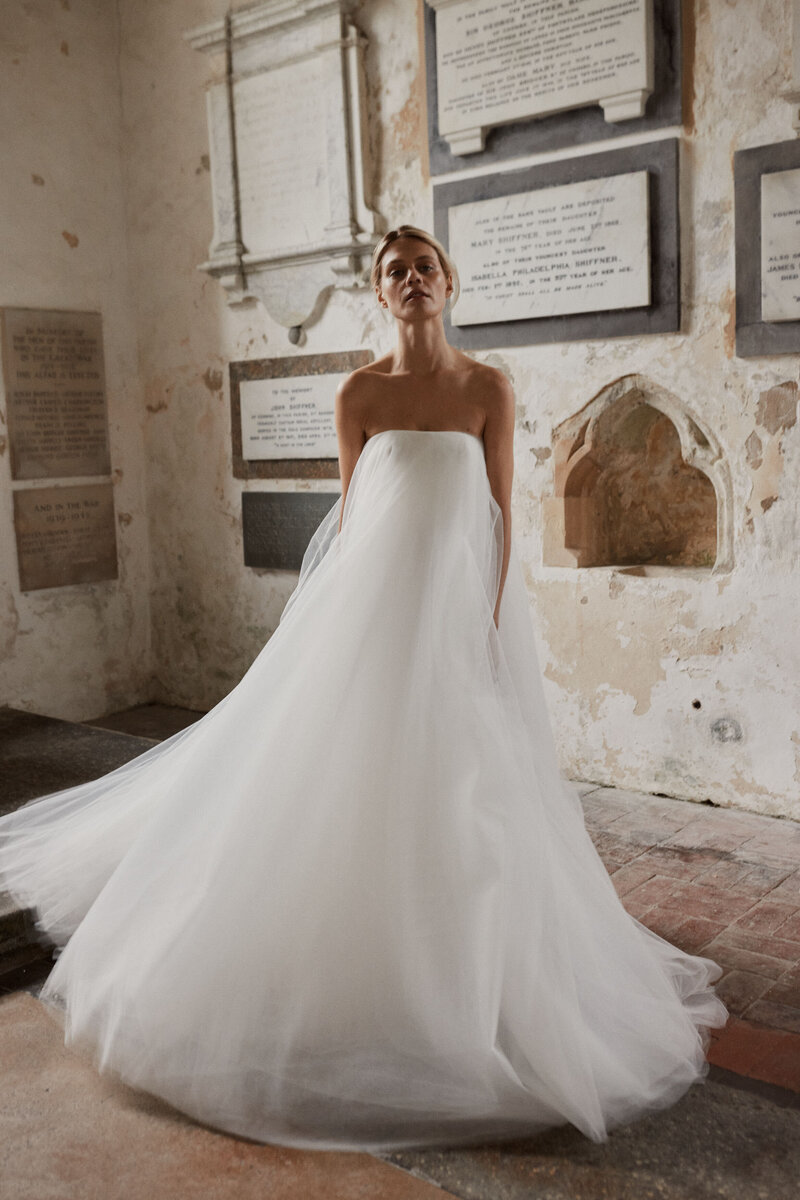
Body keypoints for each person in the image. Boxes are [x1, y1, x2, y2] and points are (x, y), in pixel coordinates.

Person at [0, 225, 727, 1154]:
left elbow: (500, 516)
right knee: (337, 787)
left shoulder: (485, 388)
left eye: (424, 267)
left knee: (469, 806)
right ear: (379, 295)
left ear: (447, 282)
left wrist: (492, 635)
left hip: (454, 631)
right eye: (395, 272)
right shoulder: (359, 393)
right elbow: (352, 521)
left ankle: (461, 989)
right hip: (369, 632)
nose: (413, 280)